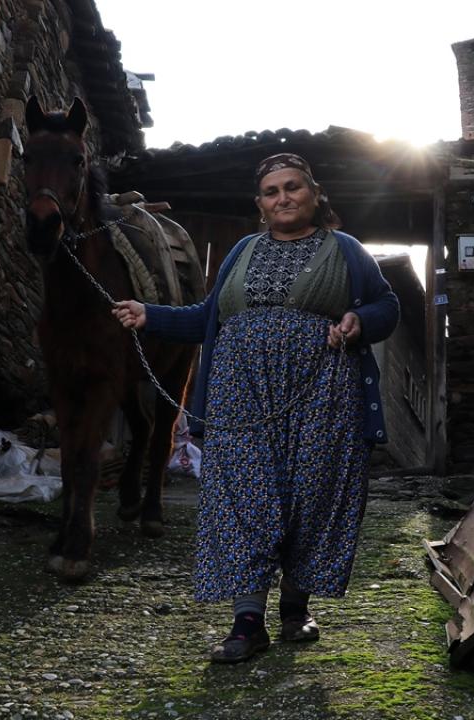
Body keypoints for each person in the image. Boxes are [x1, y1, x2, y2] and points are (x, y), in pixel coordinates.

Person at [112, 153, 399, 663]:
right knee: (242, 495)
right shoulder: (243, 251)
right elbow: (207, 317)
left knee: (313, 495)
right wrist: (149, 314)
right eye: (272, 191)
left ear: (314, 194)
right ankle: (247, 622)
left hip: (323, 394)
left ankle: (295, 605)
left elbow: (386, 306)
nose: (283, 197)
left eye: (293, 187)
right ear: (260, 204)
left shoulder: (346, 250)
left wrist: (359, 320)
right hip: (239, 393)